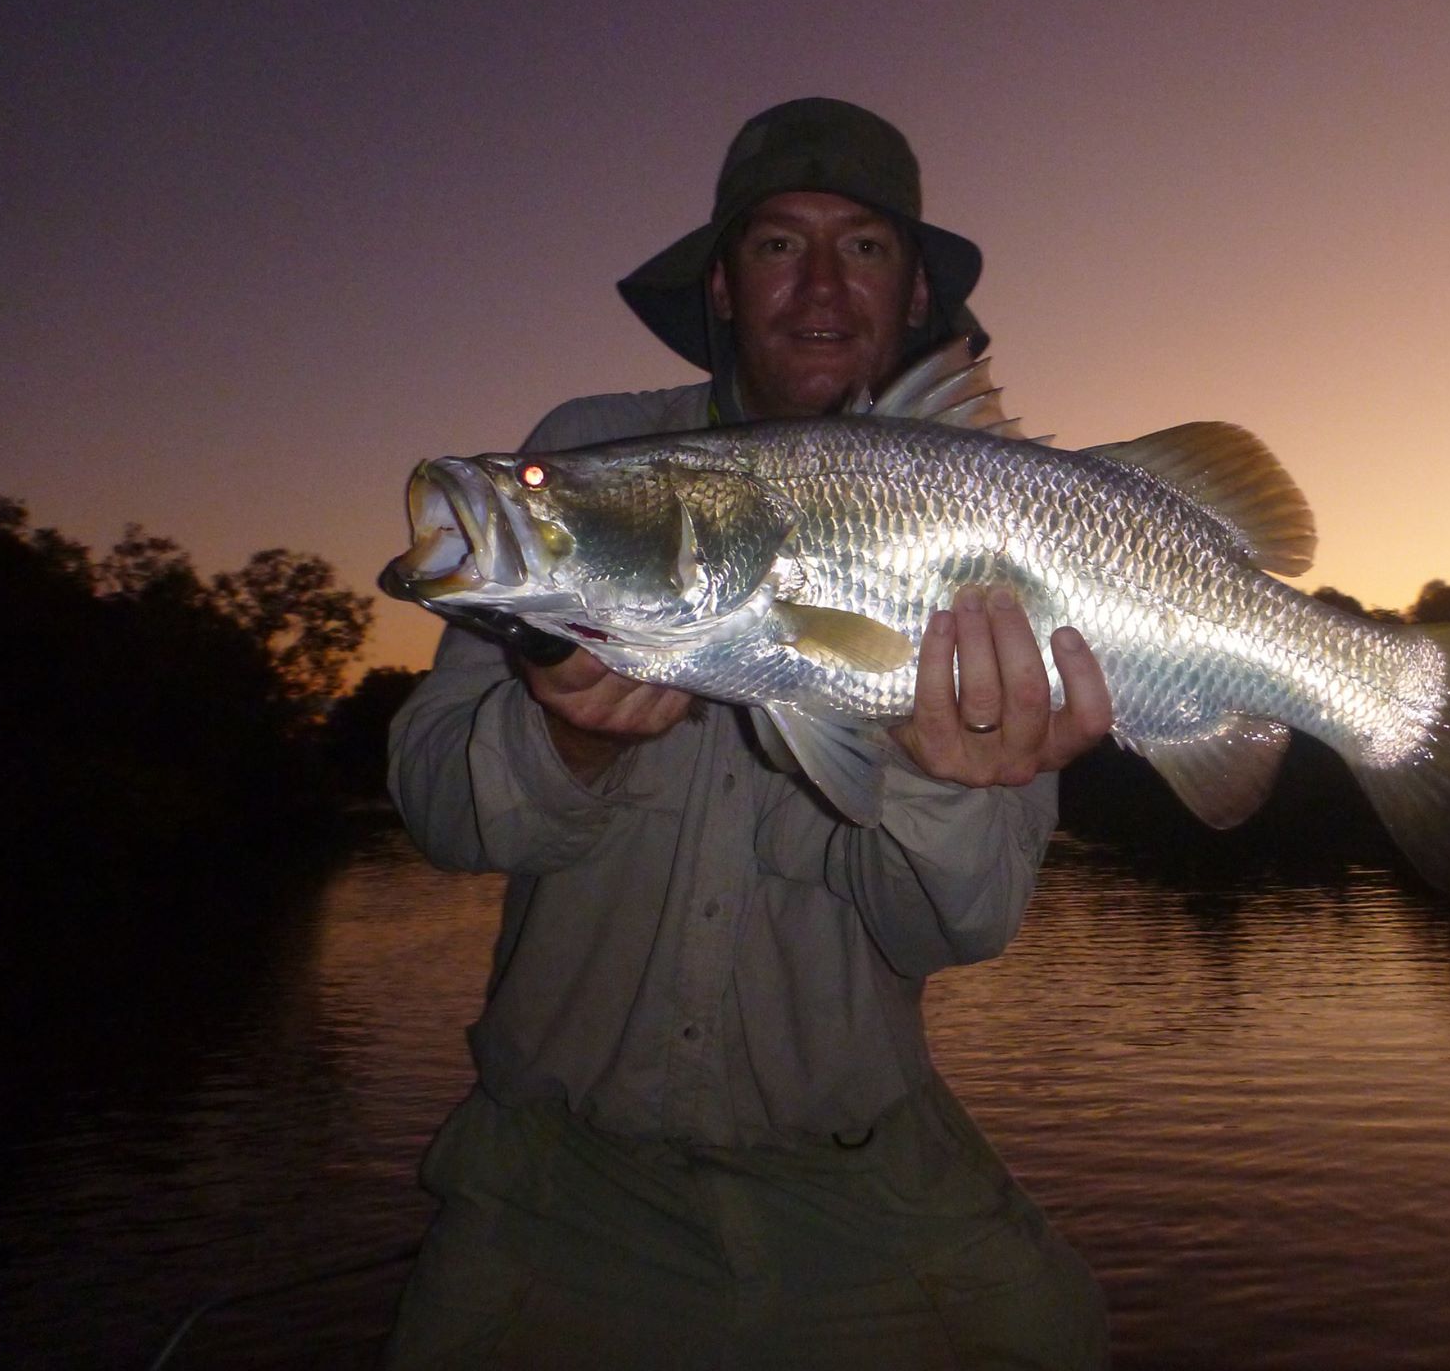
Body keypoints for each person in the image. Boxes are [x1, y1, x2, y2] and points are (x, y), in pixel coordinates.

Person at [383, 98, 1113, 1369]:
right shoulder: (592, 450)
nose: (822, 283)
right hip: (553, 1190)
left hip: (864, 1192)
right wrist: (574, 745)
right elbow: (440, 813)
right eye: (779, 244)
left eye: (865, 247)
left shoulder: (992, 519)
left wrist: (935, 783)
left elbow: (959, 929)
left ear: (914, 293)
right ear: (723, 284)